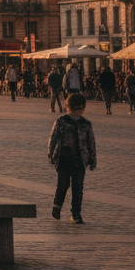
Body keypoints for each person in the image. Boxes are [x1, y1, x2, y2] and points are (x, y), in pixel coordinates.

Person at [48, 92, 96, 224]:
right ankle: (57, 206)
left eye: (80, 110)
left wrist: (92, 159)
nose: (77, 113)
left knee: (78, 187)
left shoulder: (86, 124)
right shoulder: (61, 121)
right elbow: (53, 139)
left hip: (80, 160)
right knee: (63, 185)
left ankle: (76, 213)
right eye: (75, 110)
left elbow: (91, 142)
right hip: (64, 158)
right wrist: (51, 154)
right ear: (69, 108)